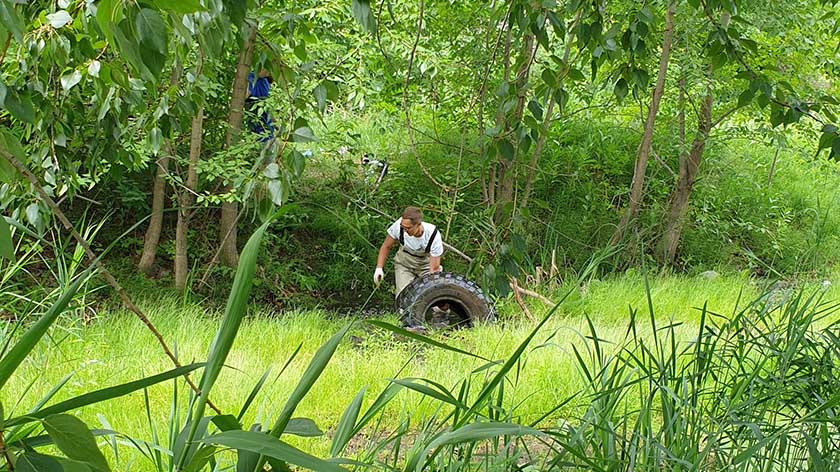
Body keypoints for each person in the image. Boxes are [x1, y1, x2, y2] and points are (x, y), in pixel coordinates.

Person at [374, 206, 444, 302]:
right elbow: (386, 246)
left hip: (426, 265)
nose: (405, 231)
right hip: (404, 263)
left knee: (438, 298)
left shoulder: (432, 234)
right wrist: (379, 268)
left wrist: (432, 290)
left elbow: (434, 269)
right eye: (403, 228)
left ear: (418, 225)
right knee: (403, 299)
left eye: (408, 228)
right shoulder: (399, 226)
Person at [246, 69, 274, 142]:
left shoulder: (265, 82)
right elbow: (244, 96)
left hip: (269, 130)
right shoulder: (250, 77)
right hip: (258, 128)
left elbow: (268, 105)